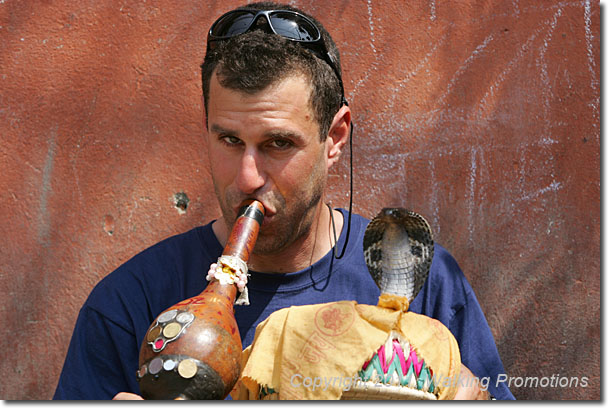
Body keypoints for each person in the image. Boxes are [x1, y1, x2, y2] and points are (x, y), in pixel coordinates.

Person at [53, 1, 514, 400]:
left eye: (277, 144)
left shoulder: (421, 284)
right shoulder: (131, 302)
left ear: (334, 137)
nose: (248, 176)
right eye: (229, 140)